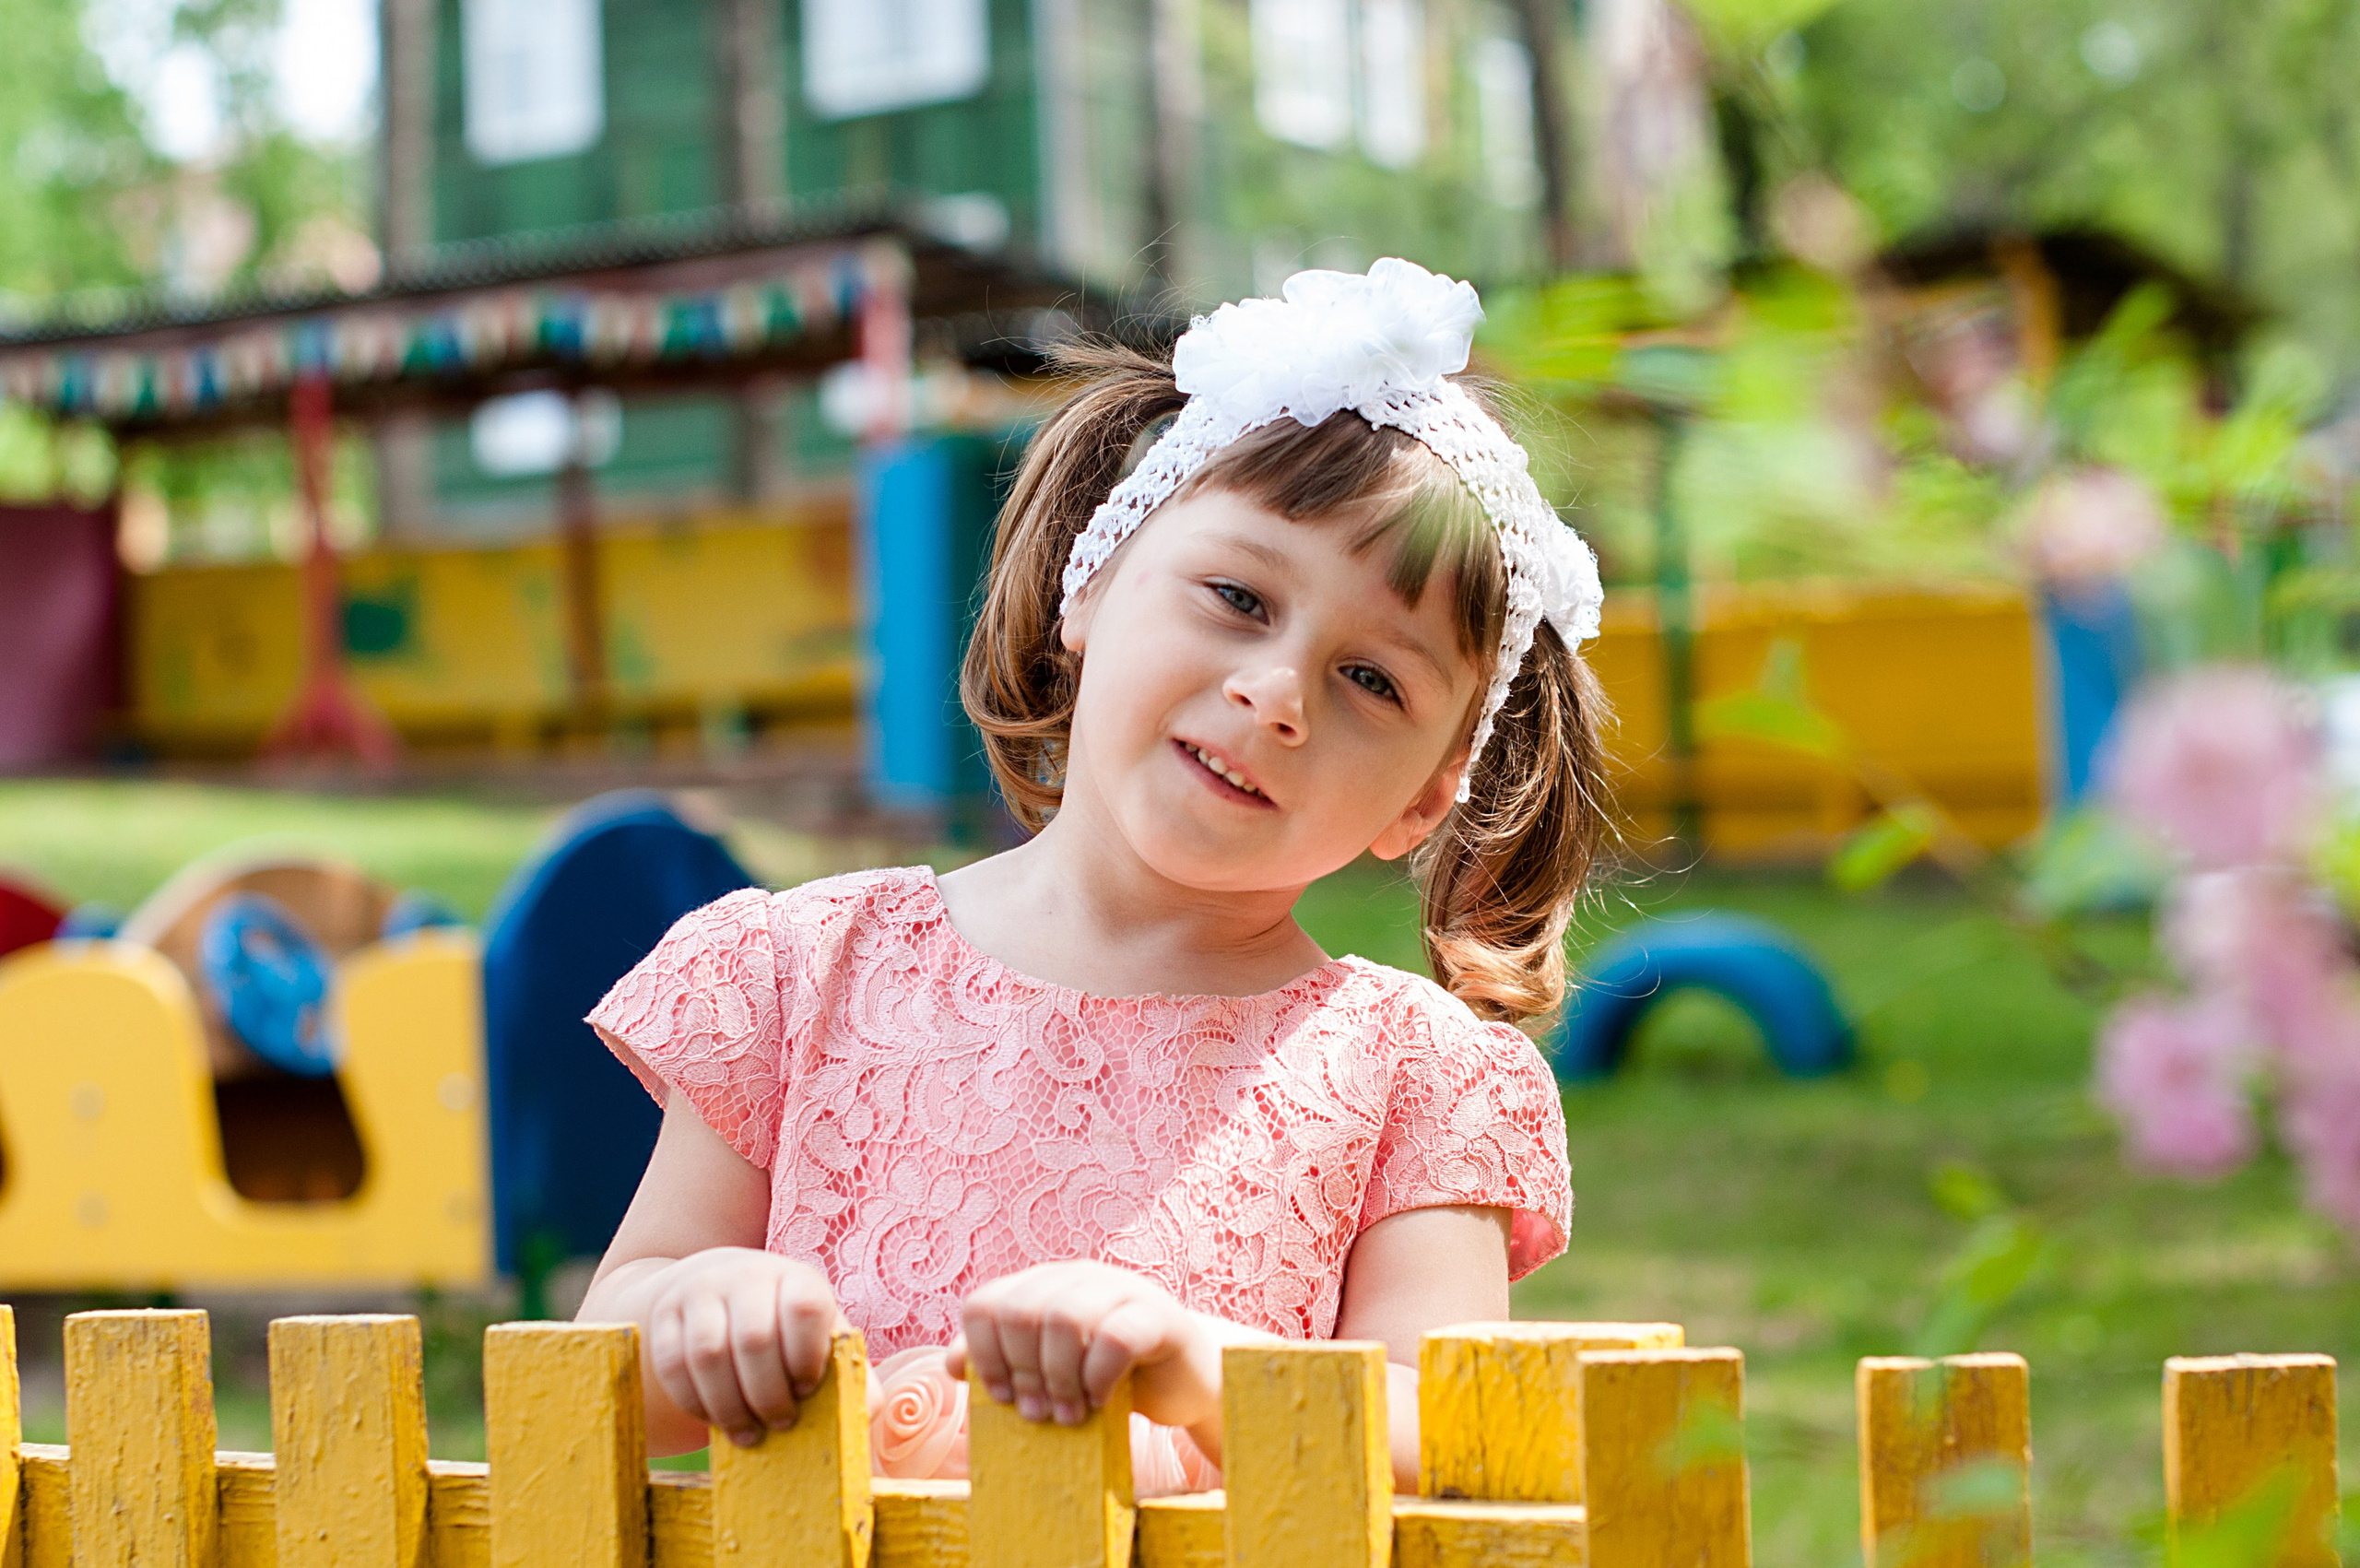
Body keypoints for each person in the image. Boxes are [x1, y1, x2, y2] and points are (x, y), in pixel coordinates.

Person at [575, 257, 1611, 1493]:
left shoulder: (1414, 1078)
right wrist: (697, 1305)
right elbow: (597, 1371)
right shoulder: (805, 975)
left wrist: (1206, 1370)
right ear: (1093, 581)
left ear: (1427, 797)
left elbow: (1451, 1439)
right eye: (1238, 597)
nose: (1275, 693)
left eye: (1372, 680)